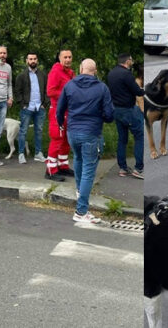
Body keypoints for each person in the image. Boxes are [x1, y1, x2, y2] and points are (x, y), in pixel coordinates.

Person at [57, 59, 114, 224]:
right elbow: (110, 115)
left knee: (78, 160)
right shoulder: (102, 88)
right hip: (91, 132)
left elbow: (60, 110)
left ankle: (79, 191)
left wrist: (62, 124)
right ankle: (81, 211)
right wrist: (100, 117)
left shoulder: (69, 86)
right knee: (89, 171)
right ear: (95, 71)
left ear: (80, 69)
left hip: (72, 132)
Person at [107, 53, 145, 179]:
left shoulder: (111, 73)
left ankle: (122, 168)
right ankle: (138, 168)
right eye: (131, 60)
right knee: (139, 136)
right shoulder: (127, 74)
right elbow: (137, 91)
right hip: (128, 110)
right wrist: (144, 90)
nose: (132, 62)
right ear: (127, 61)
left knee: (122, 139)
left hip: (116, 110)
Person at [45, 49, 76, 181]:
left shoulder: (71, 73)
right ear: (60, 58)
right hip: (58, 111)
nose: (68, 59)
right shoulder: (56, 71)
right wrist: (67, 95)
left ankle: (62, 166)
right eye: (65, 57)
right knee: (57, 139)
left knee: (65, 140)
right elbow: (50, 91)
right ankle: (51, 170)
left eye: (70, 57)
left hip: (68, 111)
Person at [13, 51, 48, 164]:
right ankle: (21, 154)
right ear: (27, 61)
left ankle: (38, 153)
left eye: (34, 59)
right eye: (30, 59)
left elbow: (47, 90)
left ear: (37, 61)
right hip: (27, 107)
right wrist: (22, 104)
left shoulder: (43, 74)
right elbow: (17, 91)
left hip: (39, 107)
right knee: (23, 131)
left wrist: (45, 104)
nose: (33, 61)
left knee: (39, 131)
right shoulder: (21, 76)